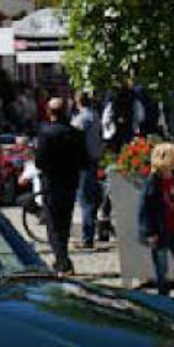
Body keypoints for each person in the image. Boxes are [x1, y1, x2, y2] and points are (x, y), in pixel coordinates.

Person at [35, 98, 87, 273]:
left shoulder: (46, 134)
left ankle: (62, 260)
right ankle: (62, 258)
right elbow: (84, 160)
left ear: (49, 112)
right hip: (70, 182)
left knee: (53, 224)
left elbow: (39, 162)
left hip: (51, 183)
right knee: (65, 222)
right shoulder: (76, 134)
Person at [137, 142, 174, 299]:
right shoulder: (152, 182)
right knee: (162, 268)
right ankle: (163, 295)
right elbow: (145, 210)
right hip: (159, 230)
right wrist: (149, 232)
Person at [71, 90, 103, 249]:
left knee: (85, 200)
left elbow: (73, 140)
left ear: (77, 102)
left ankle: (87, 238)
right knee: (91, 198)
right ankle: (90, 233)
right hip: (94, 160)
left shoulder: (80, 120)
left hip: (83, 162)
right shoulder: (95, 116)